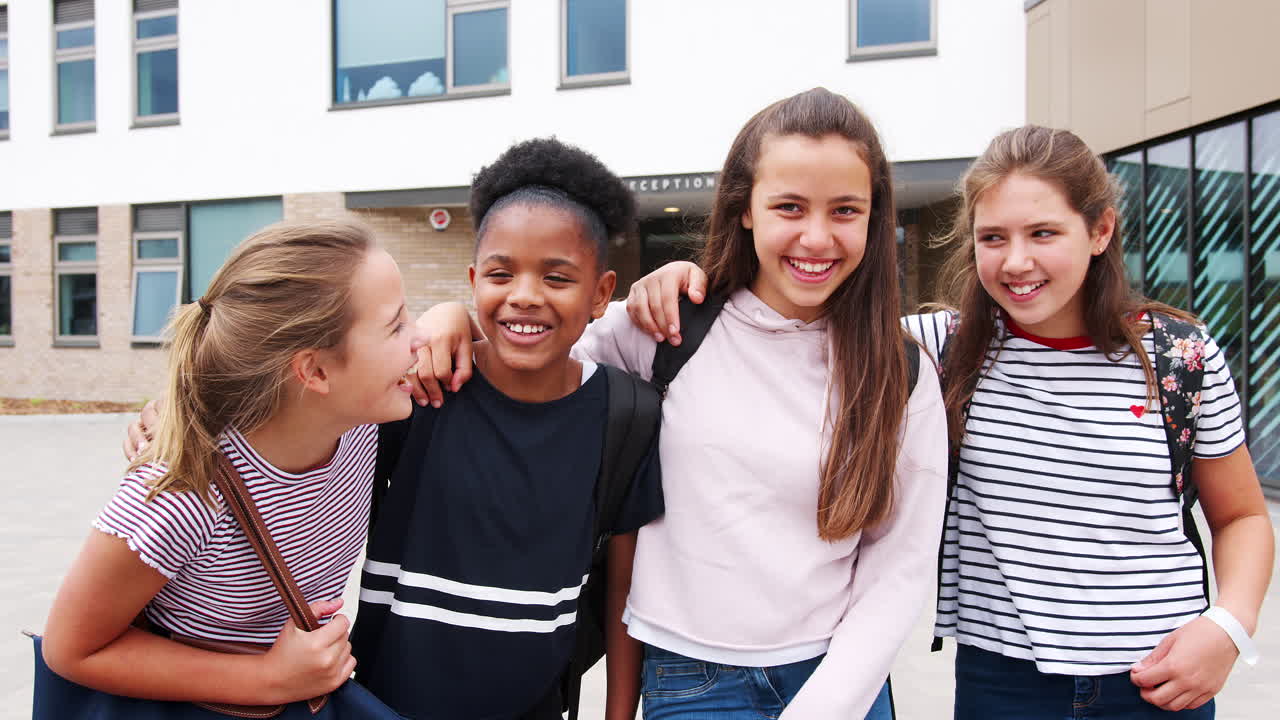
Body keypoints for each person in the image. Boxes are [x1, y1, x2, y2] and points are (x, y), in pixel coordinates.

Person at [630, 125, 1276, 718]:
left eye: (1043, 233)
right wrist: (688, 285)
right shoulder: (933, 351)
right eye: (993, 237)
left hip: (1161, 680)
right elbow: (785, 332)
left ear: (1100, 231)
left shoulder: (1178, 355)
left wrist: (1229, 626)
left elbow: (1242, 516)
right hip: (1003, 683)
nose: (1016, 261)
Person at [414, 87, 948, 720]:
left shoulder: (901, 370)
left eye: (844, 211)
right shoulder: (666, 329)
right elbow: (528, 341)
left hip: (839, 681)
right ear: (745, 209)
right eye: (789, 206)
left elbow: (900, 569)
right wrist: (448, 316)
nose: (816, 236)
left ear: (872, 217)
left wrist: (826, 707)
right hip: (690, 684)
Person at [43, 220, 426, 706]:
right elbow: (70, 648)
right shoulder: (182, 493)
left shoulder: (355, 423)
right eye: (397, 325)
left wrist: (458, 315)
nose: (418, 338)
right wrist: (269, 679)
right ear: (314, 370)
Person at [347, 138, 664, 720]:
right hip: (381, 705)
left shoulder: (629, 415)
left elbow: (625, 596)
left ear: (601, 294)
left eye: (557, 278)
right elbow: (299, 430)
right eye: (501, 273)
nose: (524, 296)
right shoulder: (422, 389)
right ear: (473, 279)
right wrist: (181, 413)